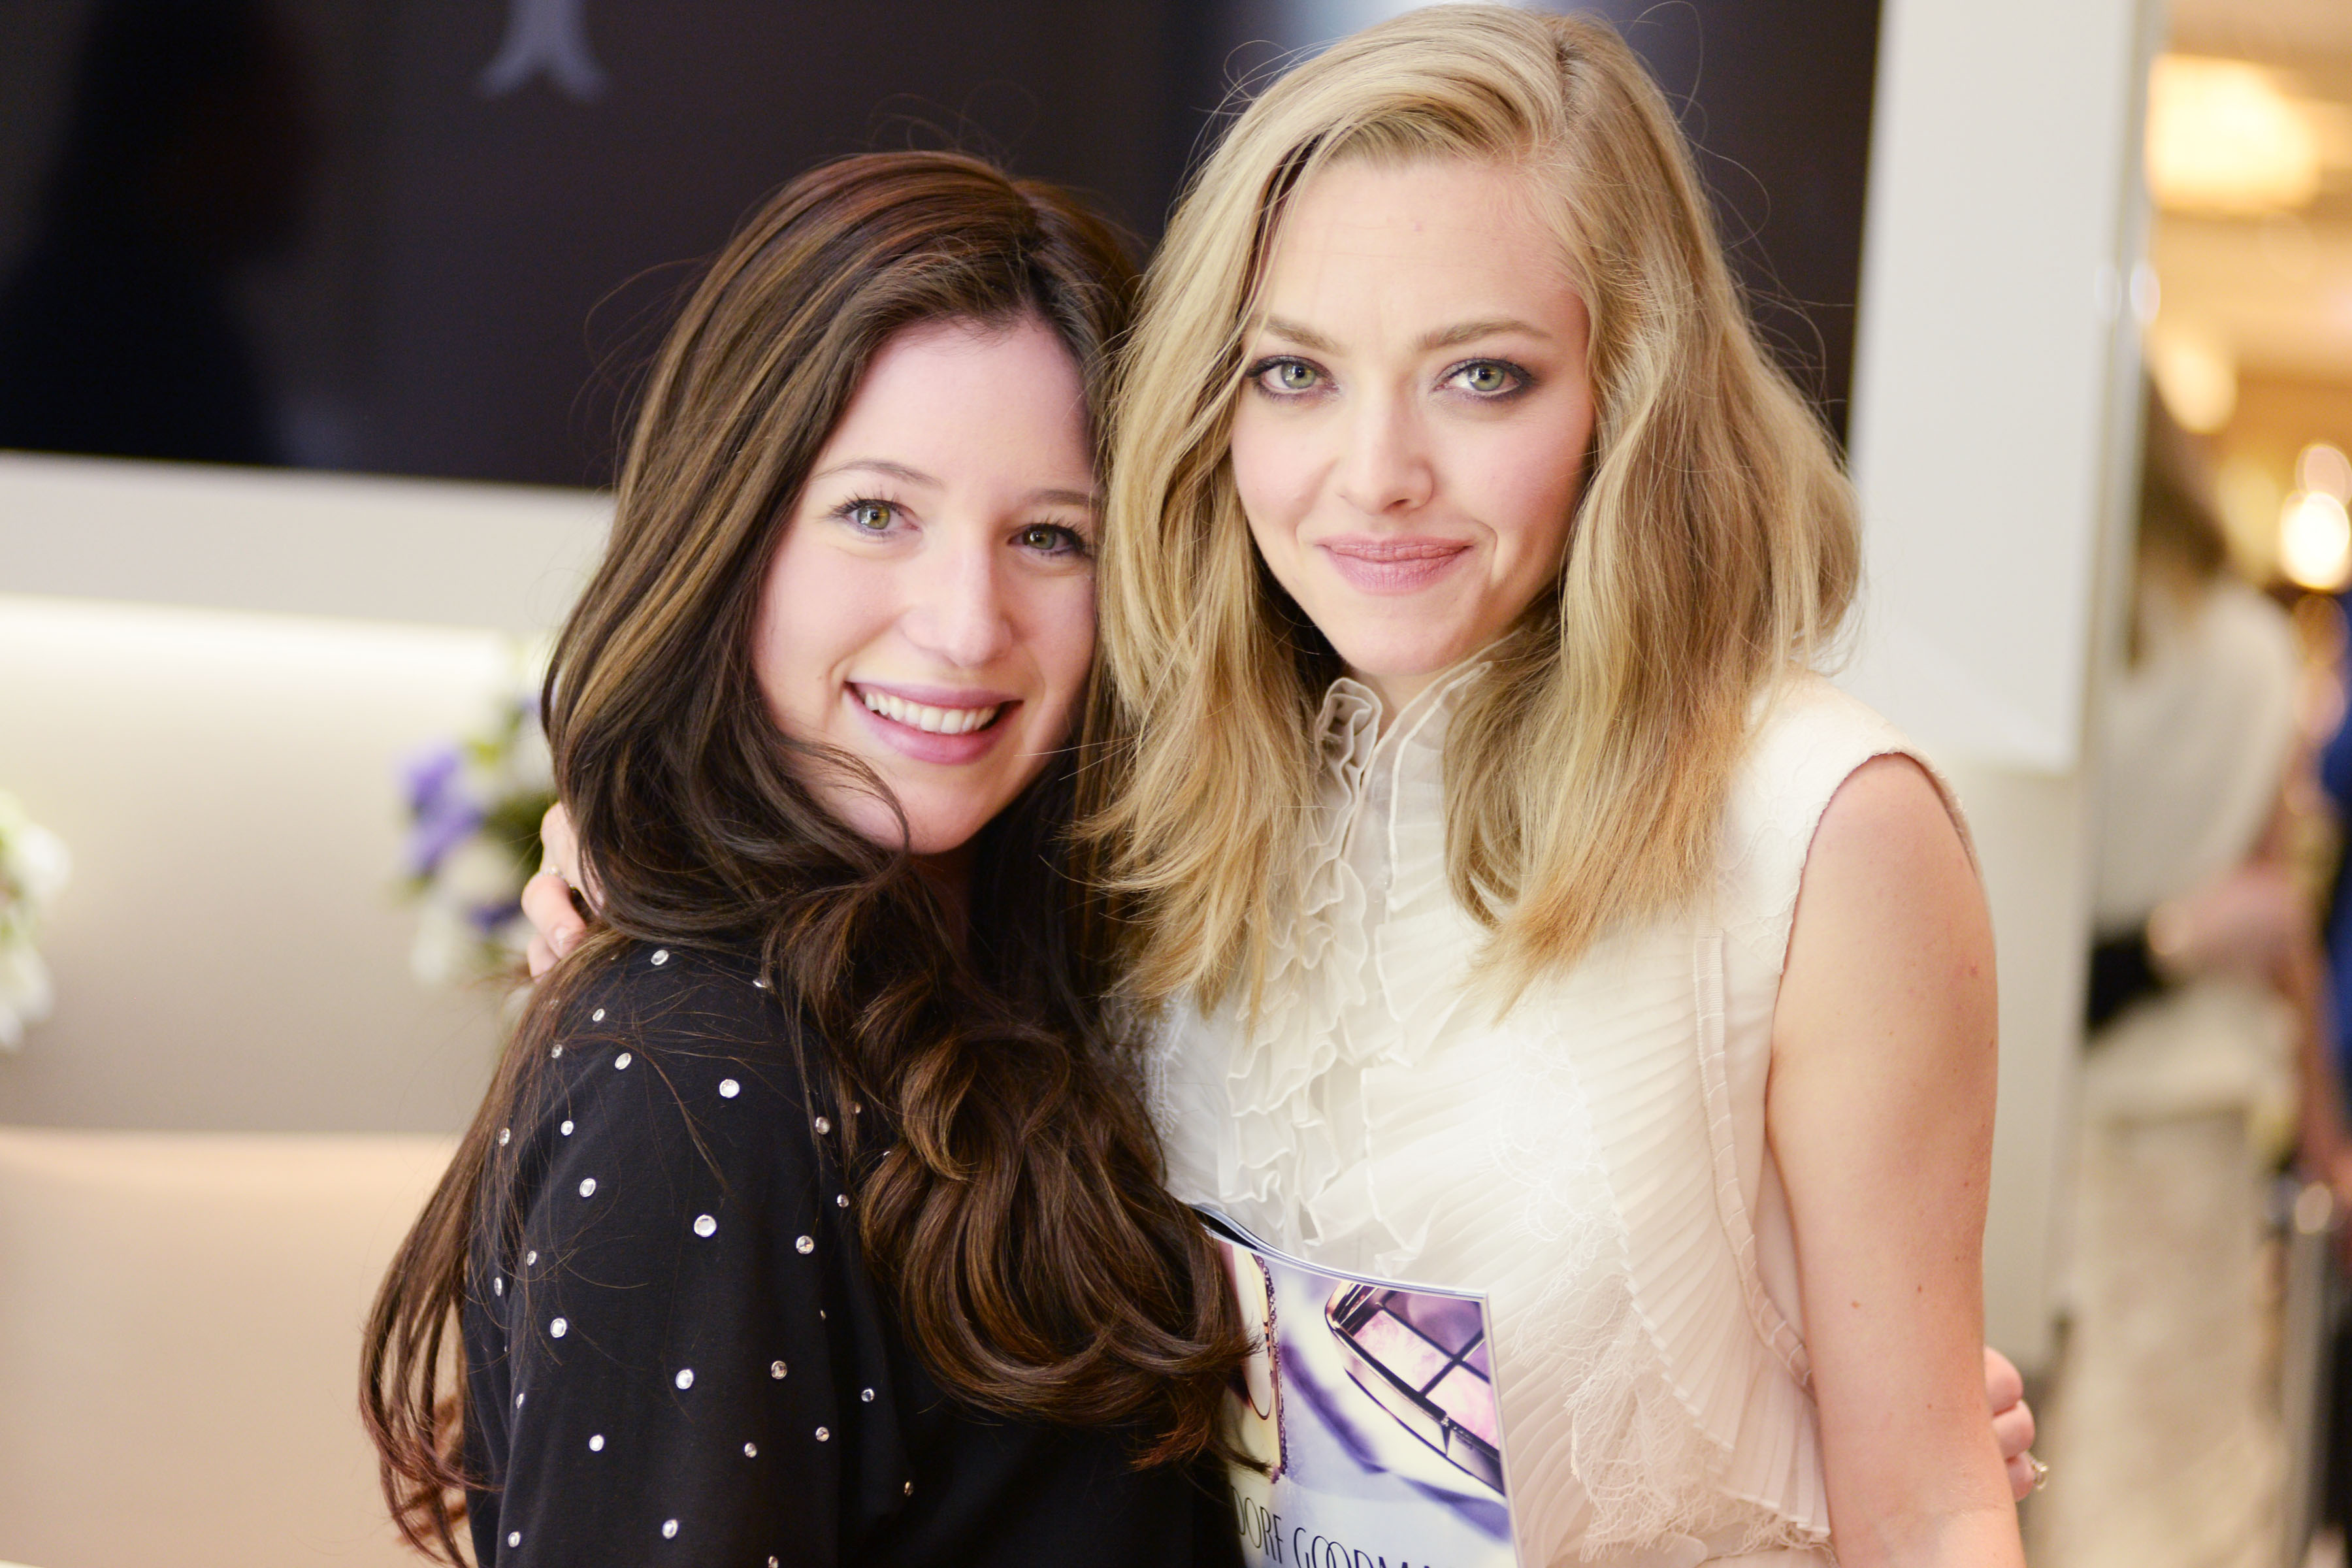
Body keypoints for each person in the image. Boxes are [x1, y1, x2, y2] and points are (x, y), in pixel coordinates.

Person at [1083, 9, 2023, 1564]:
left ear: (1626, 393)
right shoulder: (1181, 785)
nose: (1376, 472)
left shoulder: (1816, 825)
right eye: (1297, 373)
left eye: (1480, 376)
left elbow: (1926, 1508)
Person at [362, 151, 1249, 1567]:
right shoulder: (697, 1075)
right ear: (734, 530)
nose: (966, 622)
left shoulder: (1066, 989)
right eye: (878, 514)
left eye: (1050, 536)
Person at [2033, 388, 2334, 1568]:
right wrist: (2326, 1132)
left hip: (2059, 1101)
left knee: (2066, 1447)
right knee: (2179, 1463)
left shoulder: (2050, 653)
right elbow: (2279, 914)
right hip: (2197, 1100)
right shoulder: (2254, 652)